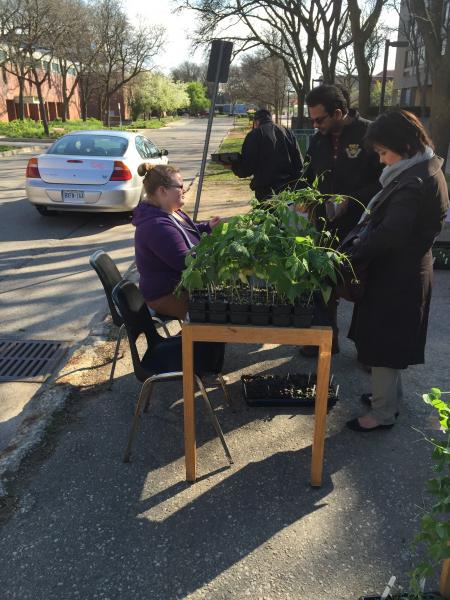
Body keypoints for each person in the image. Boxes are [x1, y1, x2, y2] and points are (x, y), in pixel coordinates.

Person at [344, 109, 449, 432]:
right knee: (388, 339)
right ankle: (387, 399)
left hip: (396, 276)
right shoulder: (423, 167)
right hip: (404, 270)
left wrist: (353, 252)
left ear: (403, 146)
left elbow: (389, 234)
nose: (381, 160)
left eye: (383, 152)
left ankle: (382, 414)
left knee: (384, 342)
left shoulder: (413, 182)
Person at [299, 84, 382, 356]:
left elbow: (384, 183)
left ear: (338, 113)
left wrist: (350, 199)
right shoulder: (318, 139)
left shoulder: (370, 133)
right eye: (312, 120)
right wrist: (304, 197)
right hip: (325, 224)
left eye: (319, 119)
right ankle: (324, 341)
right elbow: (308, 174)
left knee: (364, 288)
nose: (315, 125)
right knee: (323, 284)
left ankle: (368, 350)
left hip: (361, 226)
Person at [133, 163, 222, 320]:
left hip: (180, 285)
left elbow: (183, 231)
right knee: (213, 314)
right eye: (180, 186)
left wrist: (207, 227)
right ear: (163, 191)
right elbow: (184, 261)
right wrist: (220, 253)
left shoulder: (171, 212)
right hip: (166, 294)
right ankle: (194, 342)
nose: (184, 190)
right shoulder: (155, 226)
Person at [228, 108, 303, 203]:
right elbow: (299, 164)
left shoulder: (255, 134)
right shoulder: (287, 132)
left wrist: (233, 166)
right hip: (289, 188)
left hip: (265, 190)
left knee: (269, 216)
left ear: (256, 121)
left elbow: (247, 168)